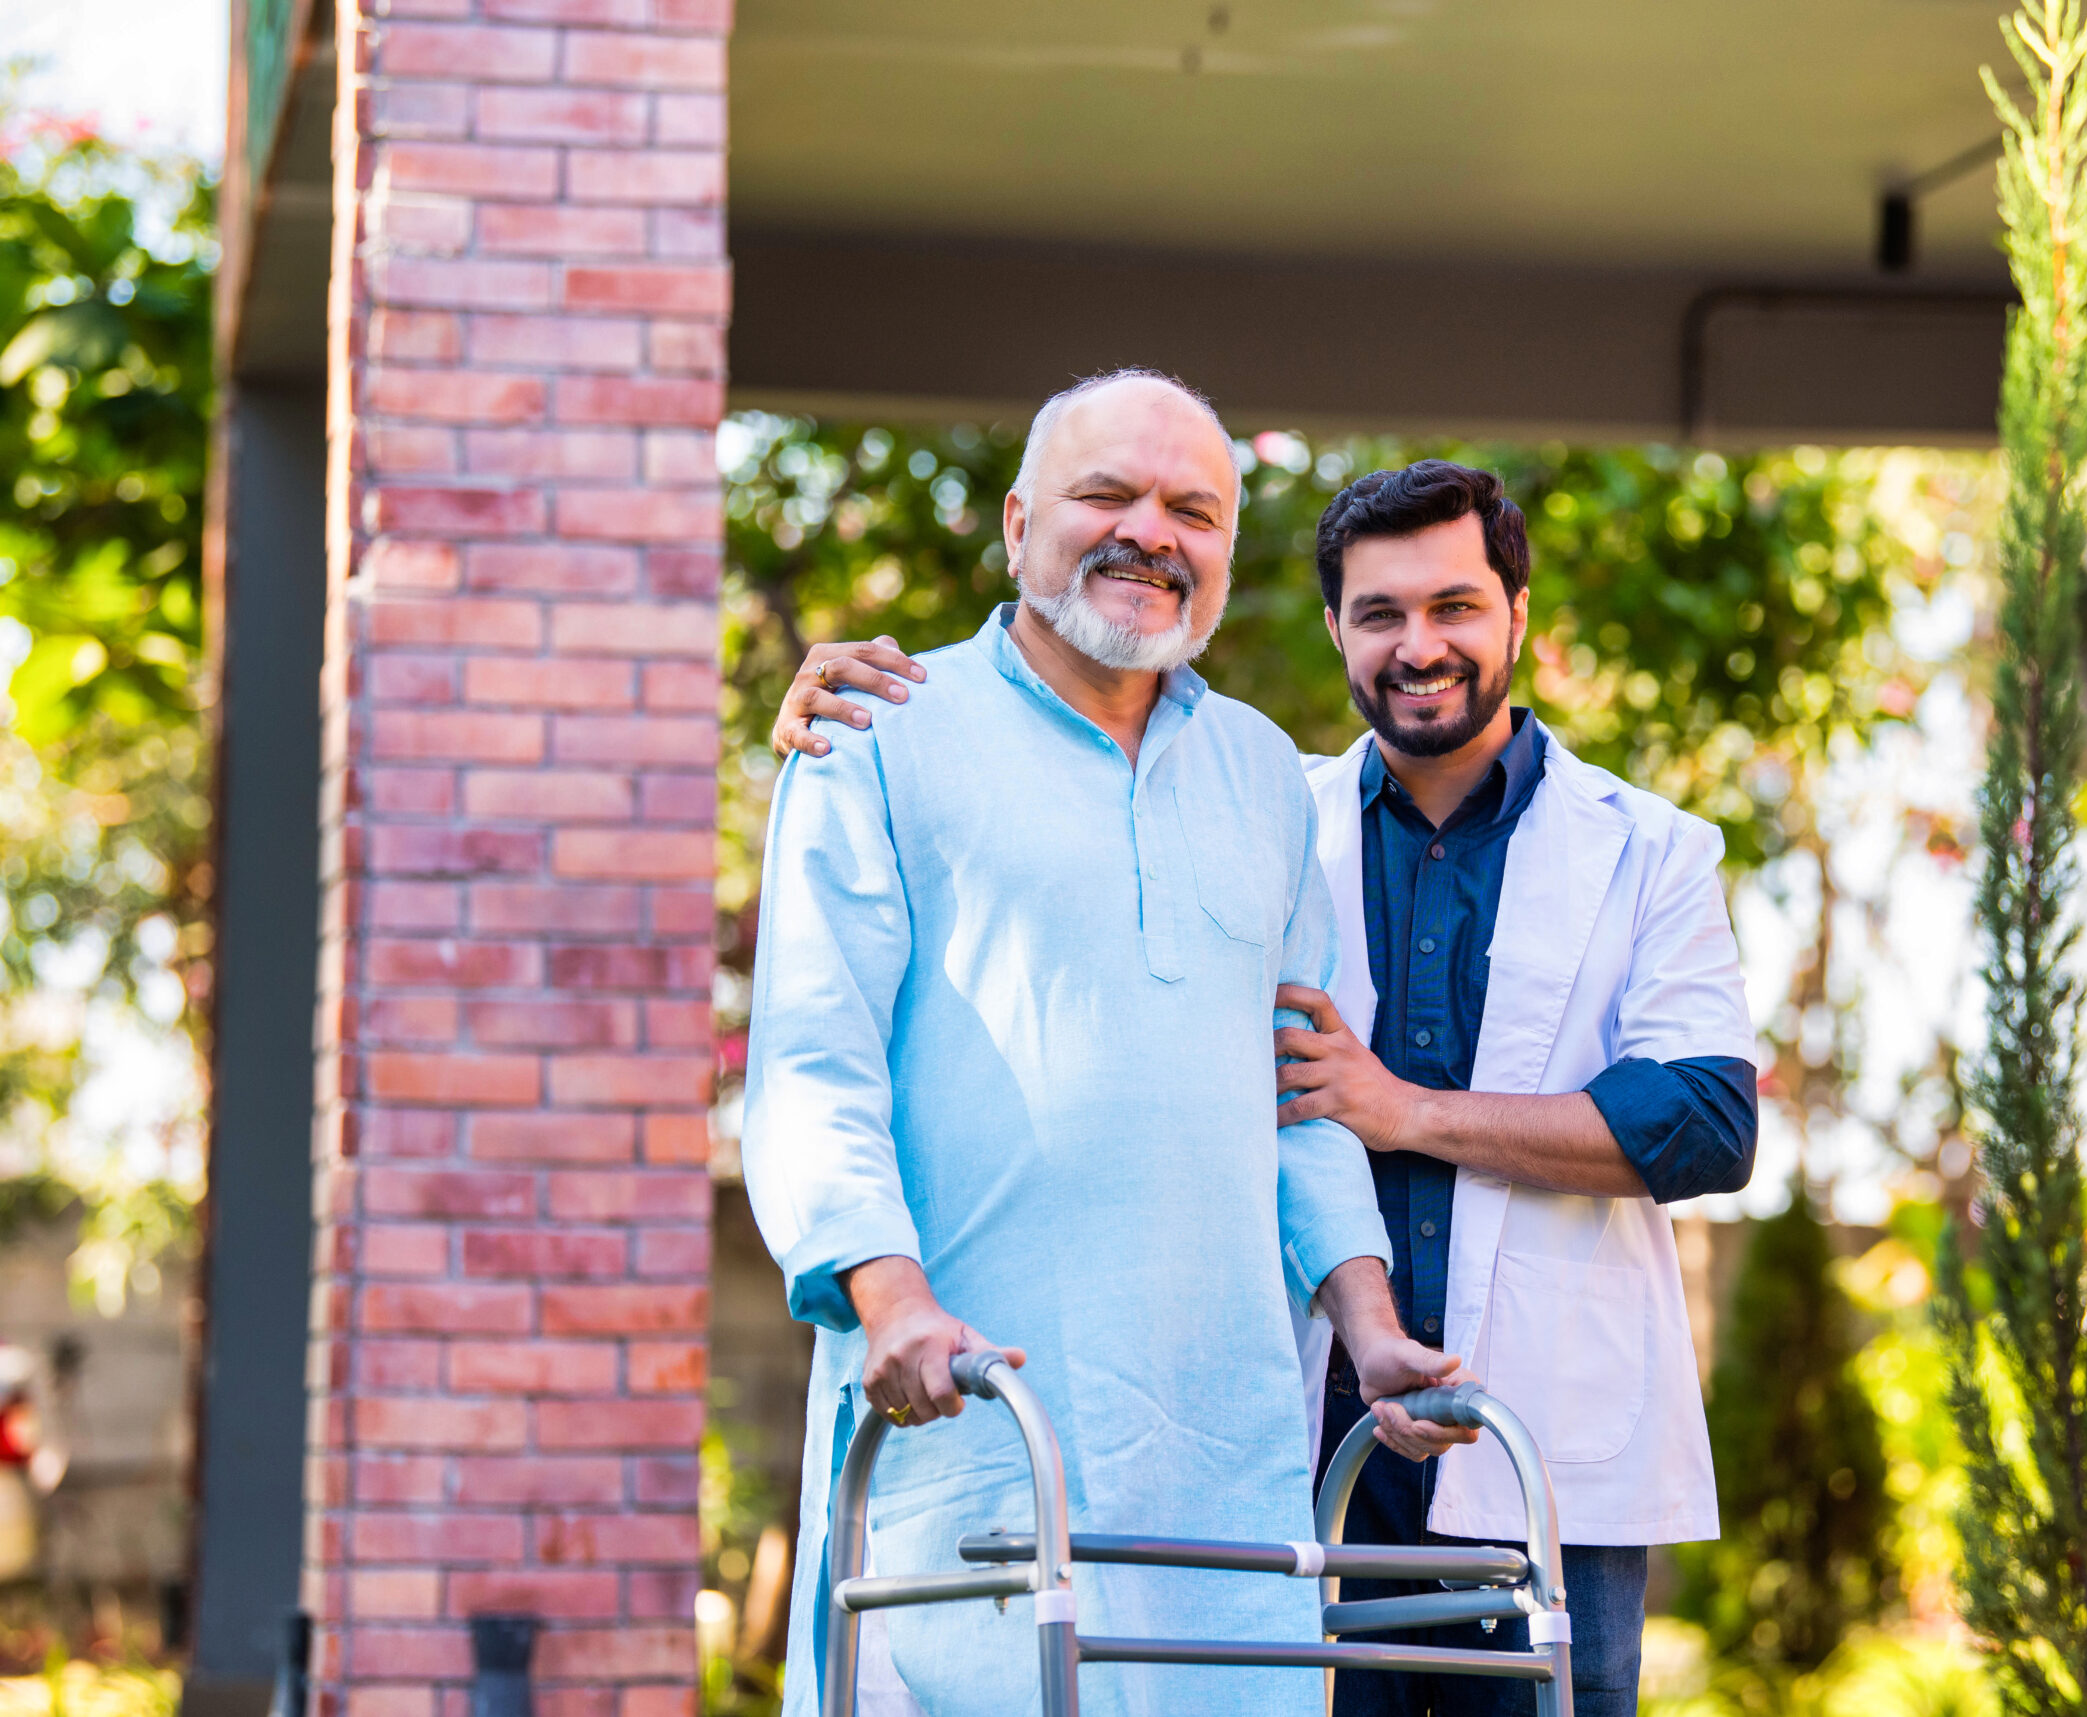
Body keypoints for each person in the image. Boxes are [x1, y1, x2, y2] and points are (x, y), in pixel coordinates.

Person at [777, 459, 1759, 1717]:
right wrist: (849, 705)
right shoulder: (1253, 802)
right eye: (1379, 613)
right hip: (1301, 1446)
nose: (1419, 646)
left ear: (1516, 616)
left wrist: (1405, 1110)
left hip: (1531, 1439)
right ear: (1336, 628)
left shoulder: (1648, 849)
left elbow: (1705, 1120)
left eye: (1455, 607)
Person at [745, 371, 1469, 1717]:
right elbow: (811, 1057)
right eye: (1107, 495)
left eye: (1193, 509)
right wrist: (888, 1298)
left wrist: (1370, 1326)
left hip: (1219, 1468)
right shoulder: (879, 730)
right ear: (1019, 525)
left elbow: (1300, 1087)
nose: (1151, 532)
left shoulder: (1265, 774)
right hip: (969, 1418)